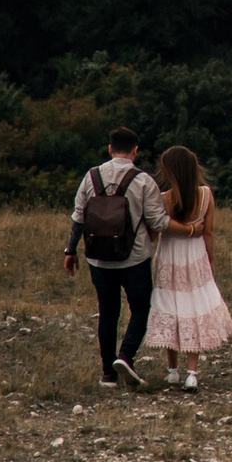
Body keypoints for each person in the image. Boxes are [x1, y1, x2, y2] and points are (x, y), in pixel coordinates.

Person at [64, 126, 168, 388]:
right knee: (141, 308)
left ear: (109, 148)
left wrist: (70, 250)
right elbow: (157, 221)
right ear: (136, 150)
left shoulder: (91, 176)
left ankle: (107, 374)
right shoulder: (144, 180)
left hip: (98, 258)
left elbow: (79, 217)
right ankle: (126, 355)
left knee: (108, 312)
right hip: (135, 258)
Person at [146, 144, 232, 390]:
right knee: (193, 308)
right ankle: (192, 373)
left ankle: (172, 370)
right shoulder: (206, 195)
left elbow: (155, 231)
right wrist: (211, 259)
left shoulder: (164, 199)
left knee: (170, 305)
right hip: (195, 256)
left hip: (169, 258)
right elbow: (209, 232)